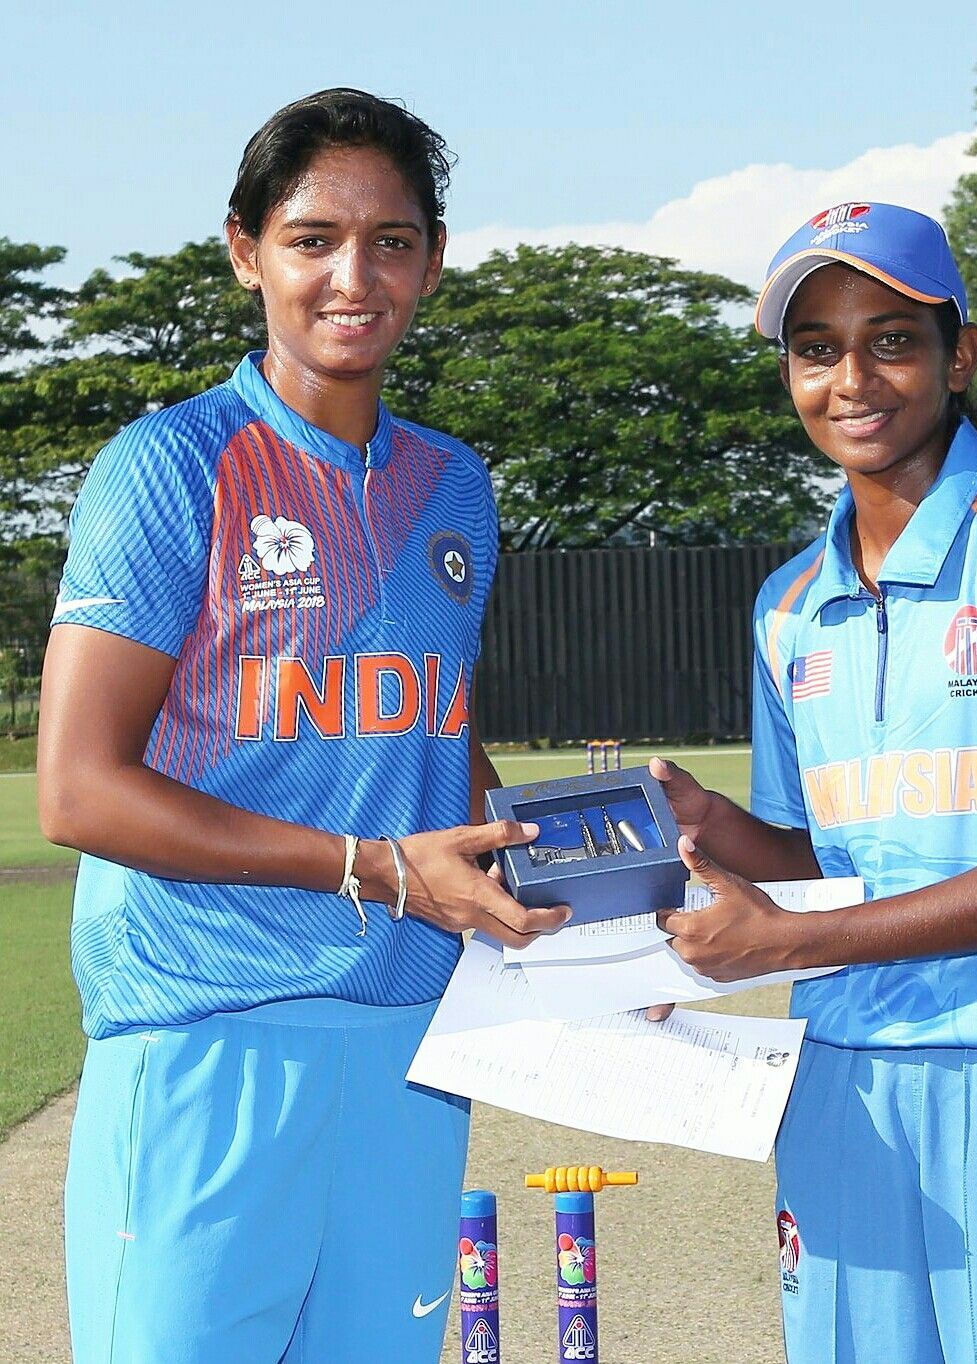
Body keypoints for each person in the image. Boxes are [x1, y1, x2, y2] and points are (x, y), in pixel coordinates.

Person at [38, 88, 567, 1364]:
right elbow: (79, 789)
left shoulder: (457, 484)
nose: (353, 275)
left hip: (410, 1045)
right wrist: (369, 867)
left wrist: (585, 903)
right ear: (246, 250)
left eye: (391, 240)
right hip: (211, 1026)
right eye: (312, 236)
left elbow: (436, 739)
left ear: (432, 261)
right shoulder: (172, 466)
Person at [649, 202, 977, 1363]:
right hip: (845, 1080)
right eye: (817, 346)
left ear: (959, 354)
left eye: (891, 338)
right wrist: (719, 829)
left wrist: (780, 939)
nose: (852, 378)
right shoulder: (787, 603)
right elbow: (823, 865)